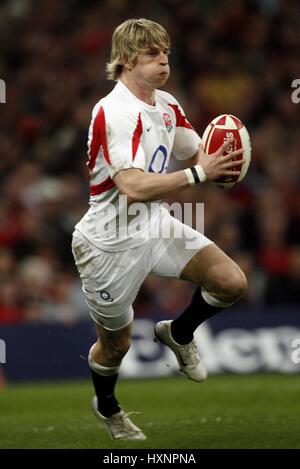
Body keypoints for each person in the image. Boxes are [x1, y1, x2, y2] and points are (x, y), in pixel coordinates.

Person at [72, 18, 247, 441]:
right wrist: (200, 176)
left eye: (166, 52)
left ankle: (179, 332)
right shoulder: (114, 111)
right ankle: (109, 407)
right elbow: (131, 187)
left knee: (230, 282)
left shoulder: (165, 104)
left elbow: (196, 152)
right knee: (117, 346)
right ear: (128, 59)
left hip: (155, 224)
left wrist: (230, 149)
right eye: (152, 53)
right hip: (108, 244)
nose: (164, 60)